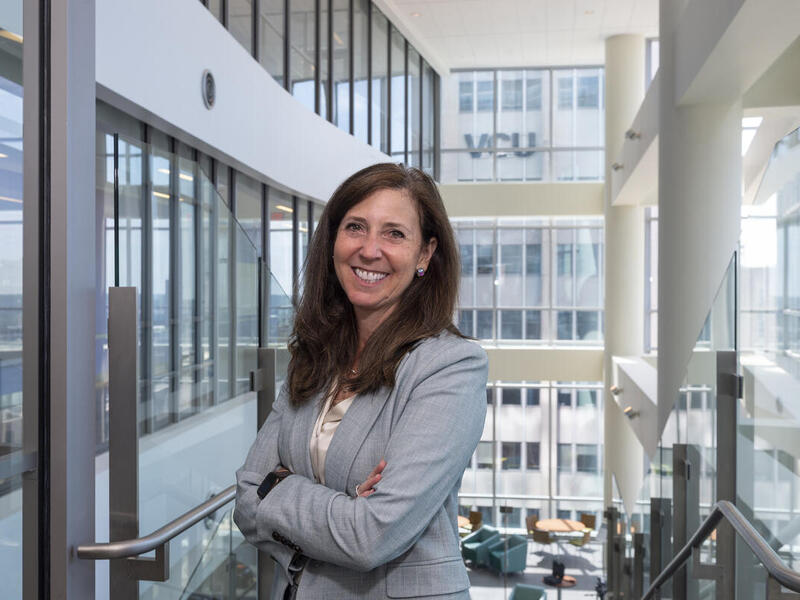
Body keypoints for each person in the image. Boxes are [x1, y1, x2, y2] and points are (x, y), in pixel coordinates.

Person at [234, 163, 488, 599]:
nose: (370, 250)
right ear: (333, 240)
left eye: (394, 233)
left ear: (425, 254)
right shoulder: (314, 355)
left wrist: (279, 486)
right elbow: (245, 499)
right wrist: (345, 504)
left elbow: (372, 536)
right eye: (356, 227)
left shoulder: (450, 366)